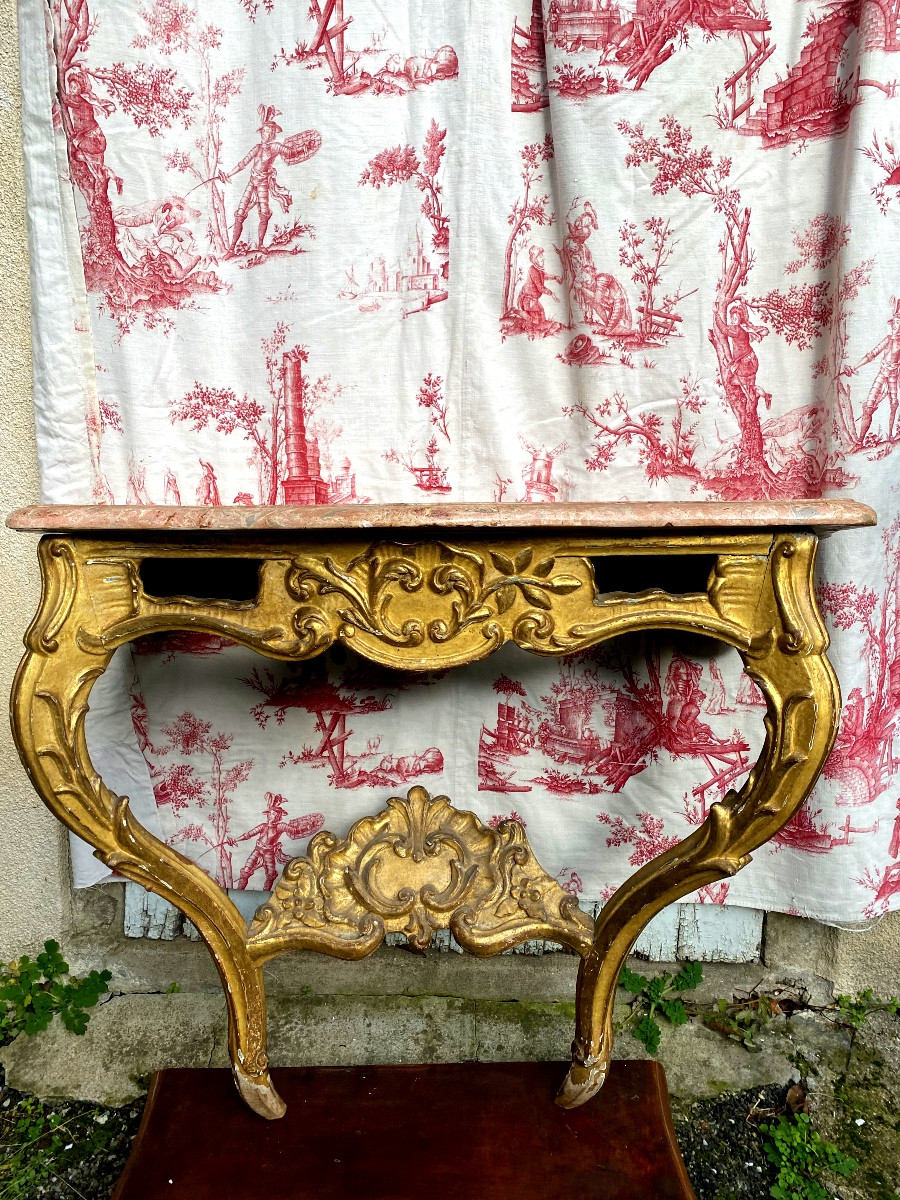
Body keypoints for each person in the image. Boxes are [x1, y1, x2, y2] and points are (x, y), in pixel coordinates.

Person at [223, 105, 294, 254]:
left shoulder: (275, 147)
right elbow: (243, 163)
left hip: (263, 184)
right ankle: (231, 249)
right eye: (264, 130)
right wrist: (228, 175)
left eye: (268, 131)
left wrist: (303, 148)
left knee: (264, 213)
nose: (265, 133)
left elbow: (289, 152)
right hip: (252, 182)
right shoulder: (257, 148)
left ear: (273, 134)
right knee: (240, 213)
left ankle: (261, 245)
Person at [847, 298, 900, 444]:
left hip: (894, 377)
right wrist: (854, 367)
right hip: (883, 373)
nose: (897, 326)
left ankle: (891, 436)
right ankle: (859, 441)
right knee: (869, 406)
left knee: (894, 404)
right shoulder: (888, 340)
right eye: (895, 322)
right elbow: (872, 354)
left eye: (899, 323)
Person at [714, 297, 771, 413]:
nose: (733, 320)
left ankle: (755, 401)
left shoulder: (737, 330)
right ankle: (765, 395)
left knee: (732, 381)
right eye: (732, 318)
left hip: (745, 365)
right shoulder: (745, 325)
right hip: (751, 360)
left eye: (736, 318)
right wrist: (743, 304)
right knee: (750, 387)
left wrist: (716, 314)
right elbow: (746, 316)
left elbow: (724, 329)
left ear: (740, 319)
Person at [517, 245, 561, 332]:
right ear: (534, 259)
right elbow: (540, 287)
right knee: (536, 321)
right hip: (528, 300)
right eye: (540, 256)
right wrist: (551, 293)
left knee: (541, 317)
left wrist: (554, 277)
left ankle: (535, 327)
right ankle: (517, 312)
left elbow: (544, 275)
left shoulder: (538, 269)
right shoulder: (533, 270)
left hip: (533, 300)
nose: (543, 258)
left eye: (542, 255)